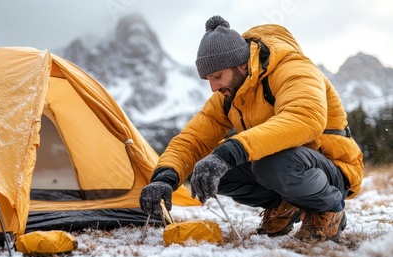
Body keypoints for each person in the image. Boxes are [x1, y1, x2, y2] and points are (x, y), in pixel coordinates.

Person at [139, 15, 364, 242]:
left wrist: (230, 152)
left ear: (242, 64)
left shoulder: (293, 68)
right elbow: (194, 139)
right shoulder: (229, 93)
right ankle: (283, 206)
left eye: (217, 76)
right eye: (208, 78)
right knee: (206, 166)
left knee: (267, 163)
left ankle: (328, 209)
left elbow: (304, 118)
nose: (213, 87)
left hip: (330, 167)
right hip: (283, 167)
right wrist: (165, 178)